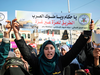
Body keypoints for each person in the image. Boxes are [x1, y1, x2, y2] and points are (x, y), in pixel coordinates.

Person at [12, 18, 94, 75]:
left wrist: (85, 33)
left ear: (55, 50)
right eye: (46, 48)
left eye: (51, 48)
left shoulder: (60, 61)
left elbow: (74, 51)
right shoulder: (37, 62)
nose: (49, 51)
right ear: (42, 51)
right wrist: (16, 33)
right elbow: (26, 53)